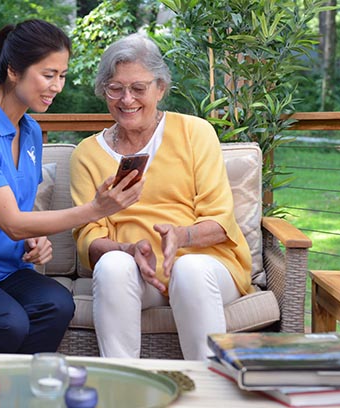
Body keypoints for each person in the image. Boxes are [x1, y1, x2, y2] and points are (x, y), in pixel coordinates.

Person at [0, 20, 143, 354]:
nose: (57, 86)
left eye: (62, 76)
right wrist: (95, 210)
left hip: (6, 269)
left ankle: (20, 389)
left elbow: (19, 212)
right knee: (7, 321)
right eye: (48, 75)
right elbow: (12, 222)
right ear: (13, 71)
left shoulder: (30, 131)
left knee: (58, 303)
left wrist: (36, 239)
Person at [70, 33, 254, 360]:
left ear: (160, 89)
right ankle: (124, 384)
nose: (127, 99)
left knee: (190, 271)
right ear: (104, 91)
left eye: (138, 88)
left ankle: (208, 389)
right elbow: (88, 236)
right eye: (116, 88)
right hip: (140, 274)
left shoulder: (194, 132)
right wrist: (126, 249)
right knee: (113, 265)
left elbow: (220, 218)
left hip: (207, 264)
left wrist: (182, 235)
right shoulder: (87, 154)